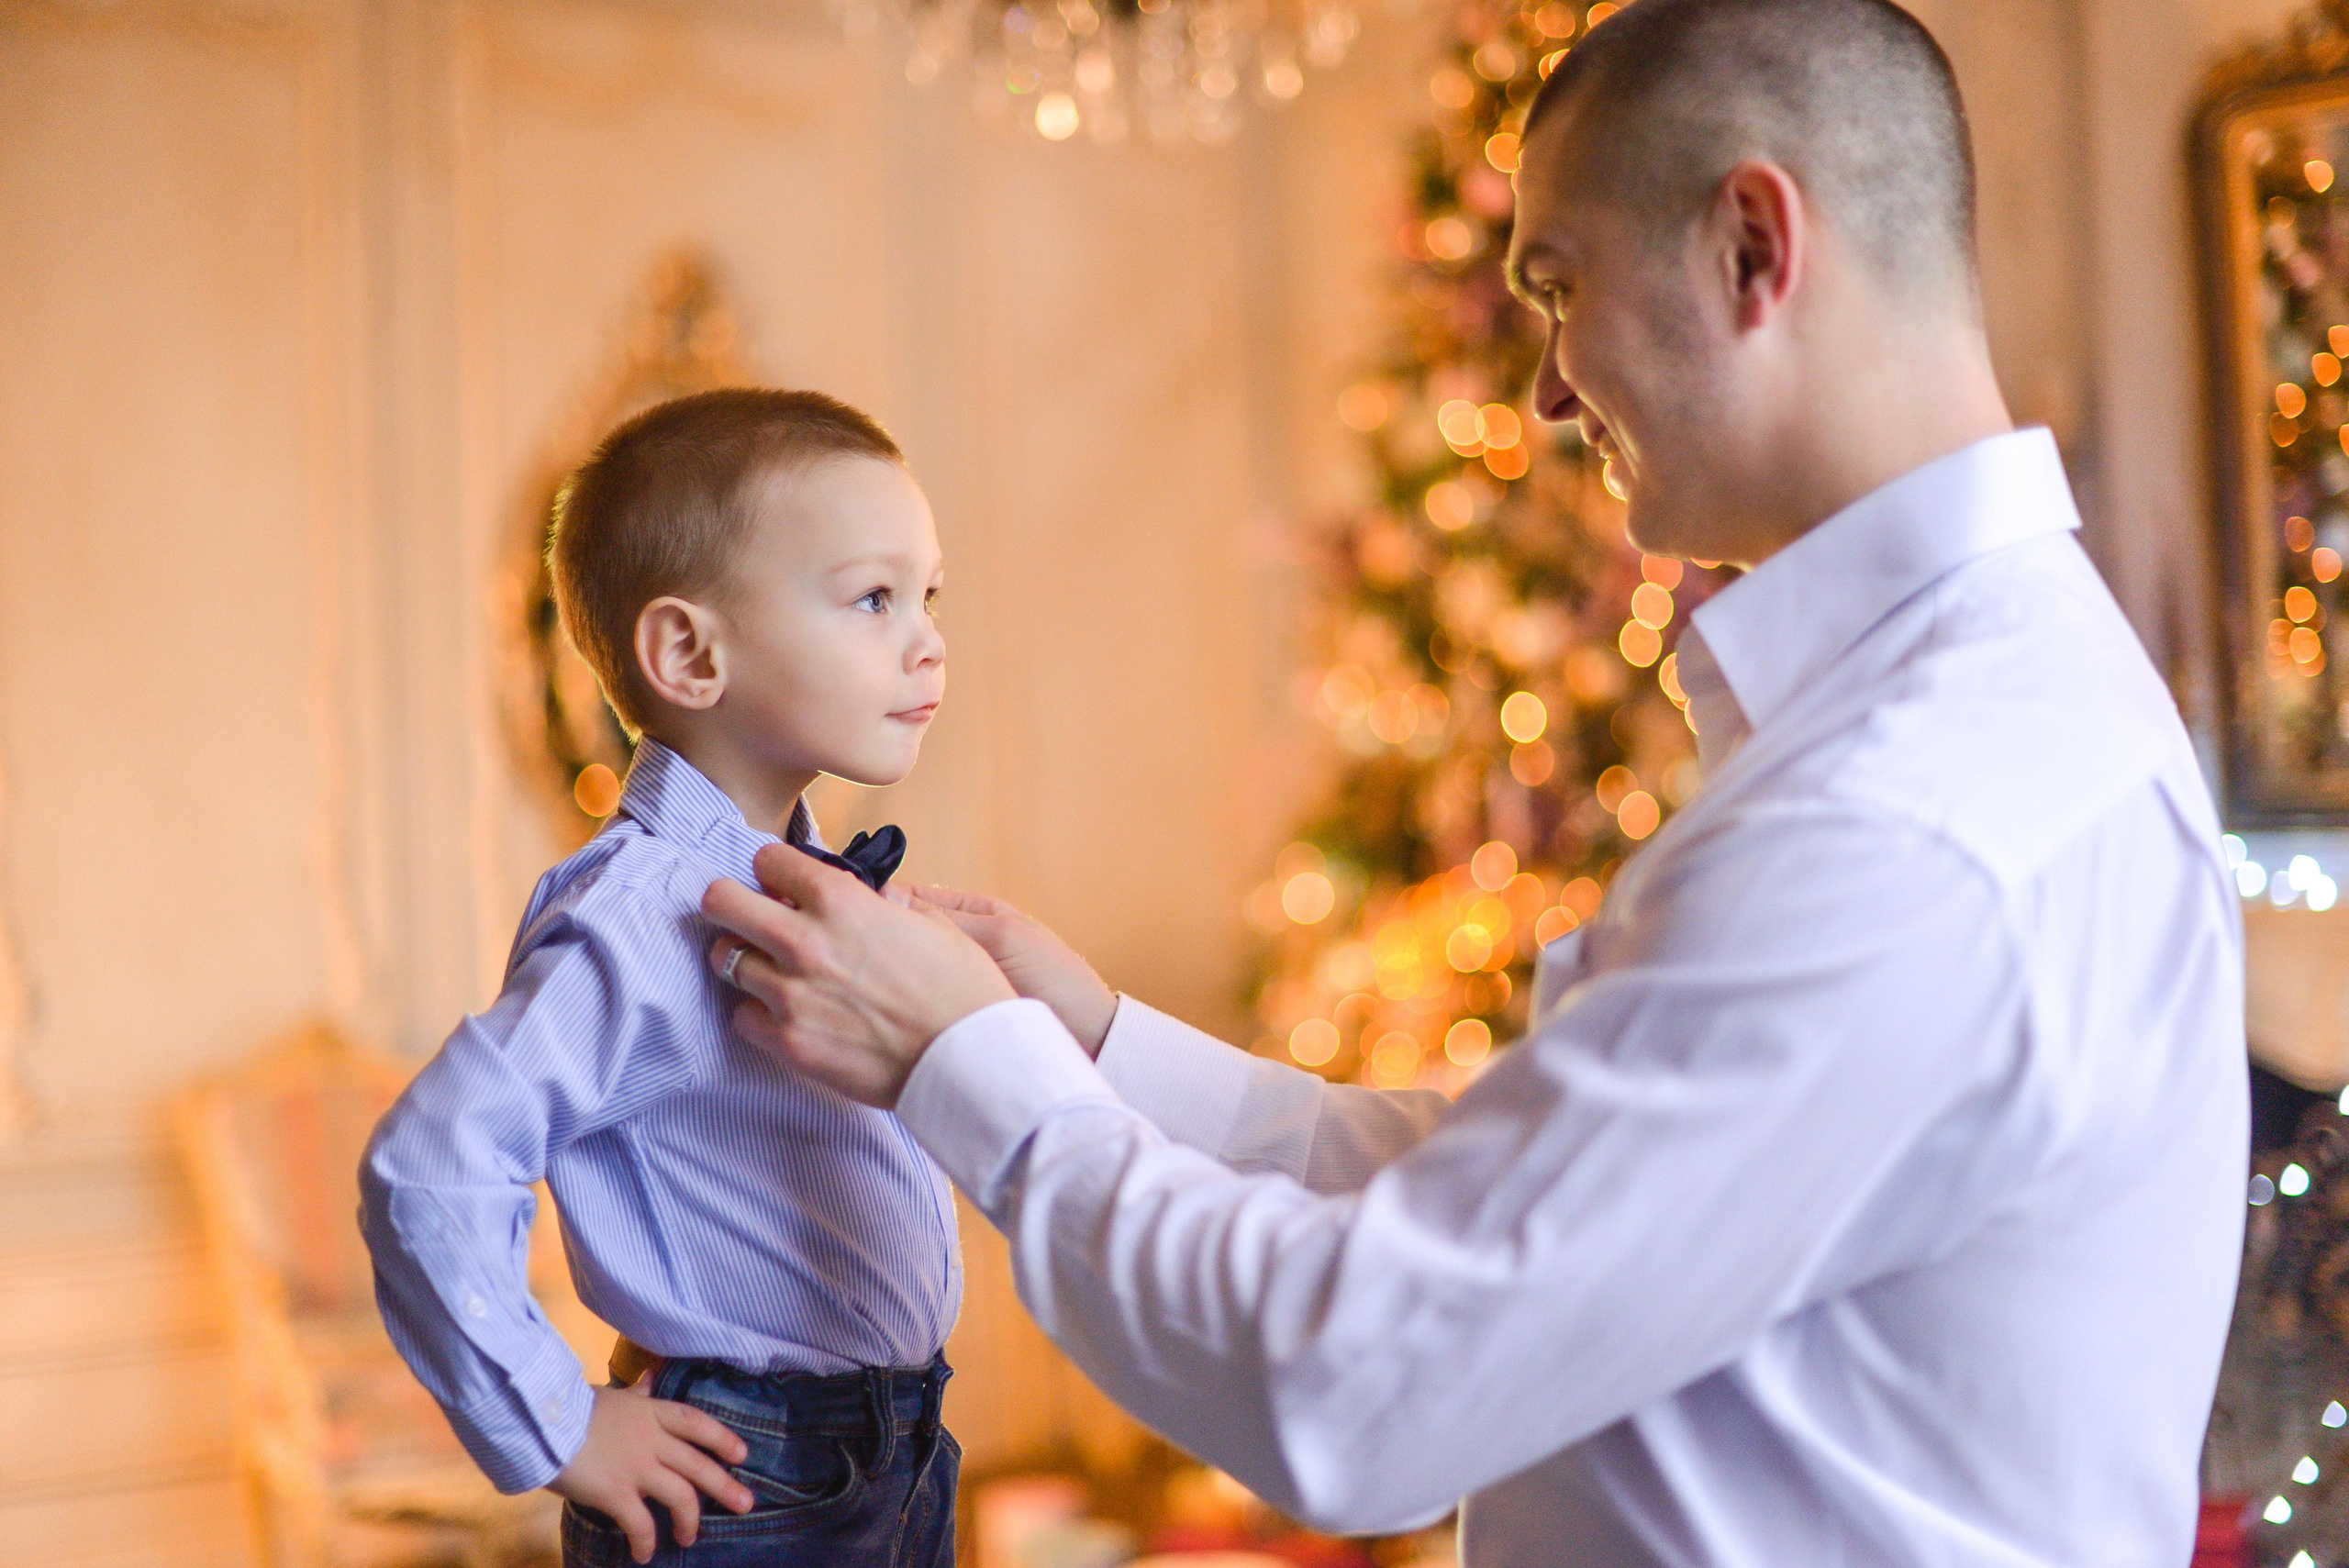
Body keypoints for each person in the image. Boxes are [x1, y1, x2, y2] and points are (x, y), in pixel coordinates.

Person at [696, 0, 2249, 1562]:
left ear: (1751, 249)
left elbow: (1361, 1386)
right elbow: (1549, 1211)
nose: (1552, 391)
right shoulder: (1987, 710)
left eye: (1562, 288)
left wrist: (960, 1060)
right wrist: (1090, 1044)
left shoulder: (1909, 812)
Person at [358, 388, 962, 1568]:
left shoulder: (820, 892)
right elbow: (429, 1163)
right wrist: (559, 1420)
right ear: (690, 652)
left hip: (898, 1451)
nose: (928, 641)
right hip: (744, 1485)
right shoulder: (637, 919)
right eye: (873, 598)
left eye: (929, 595)